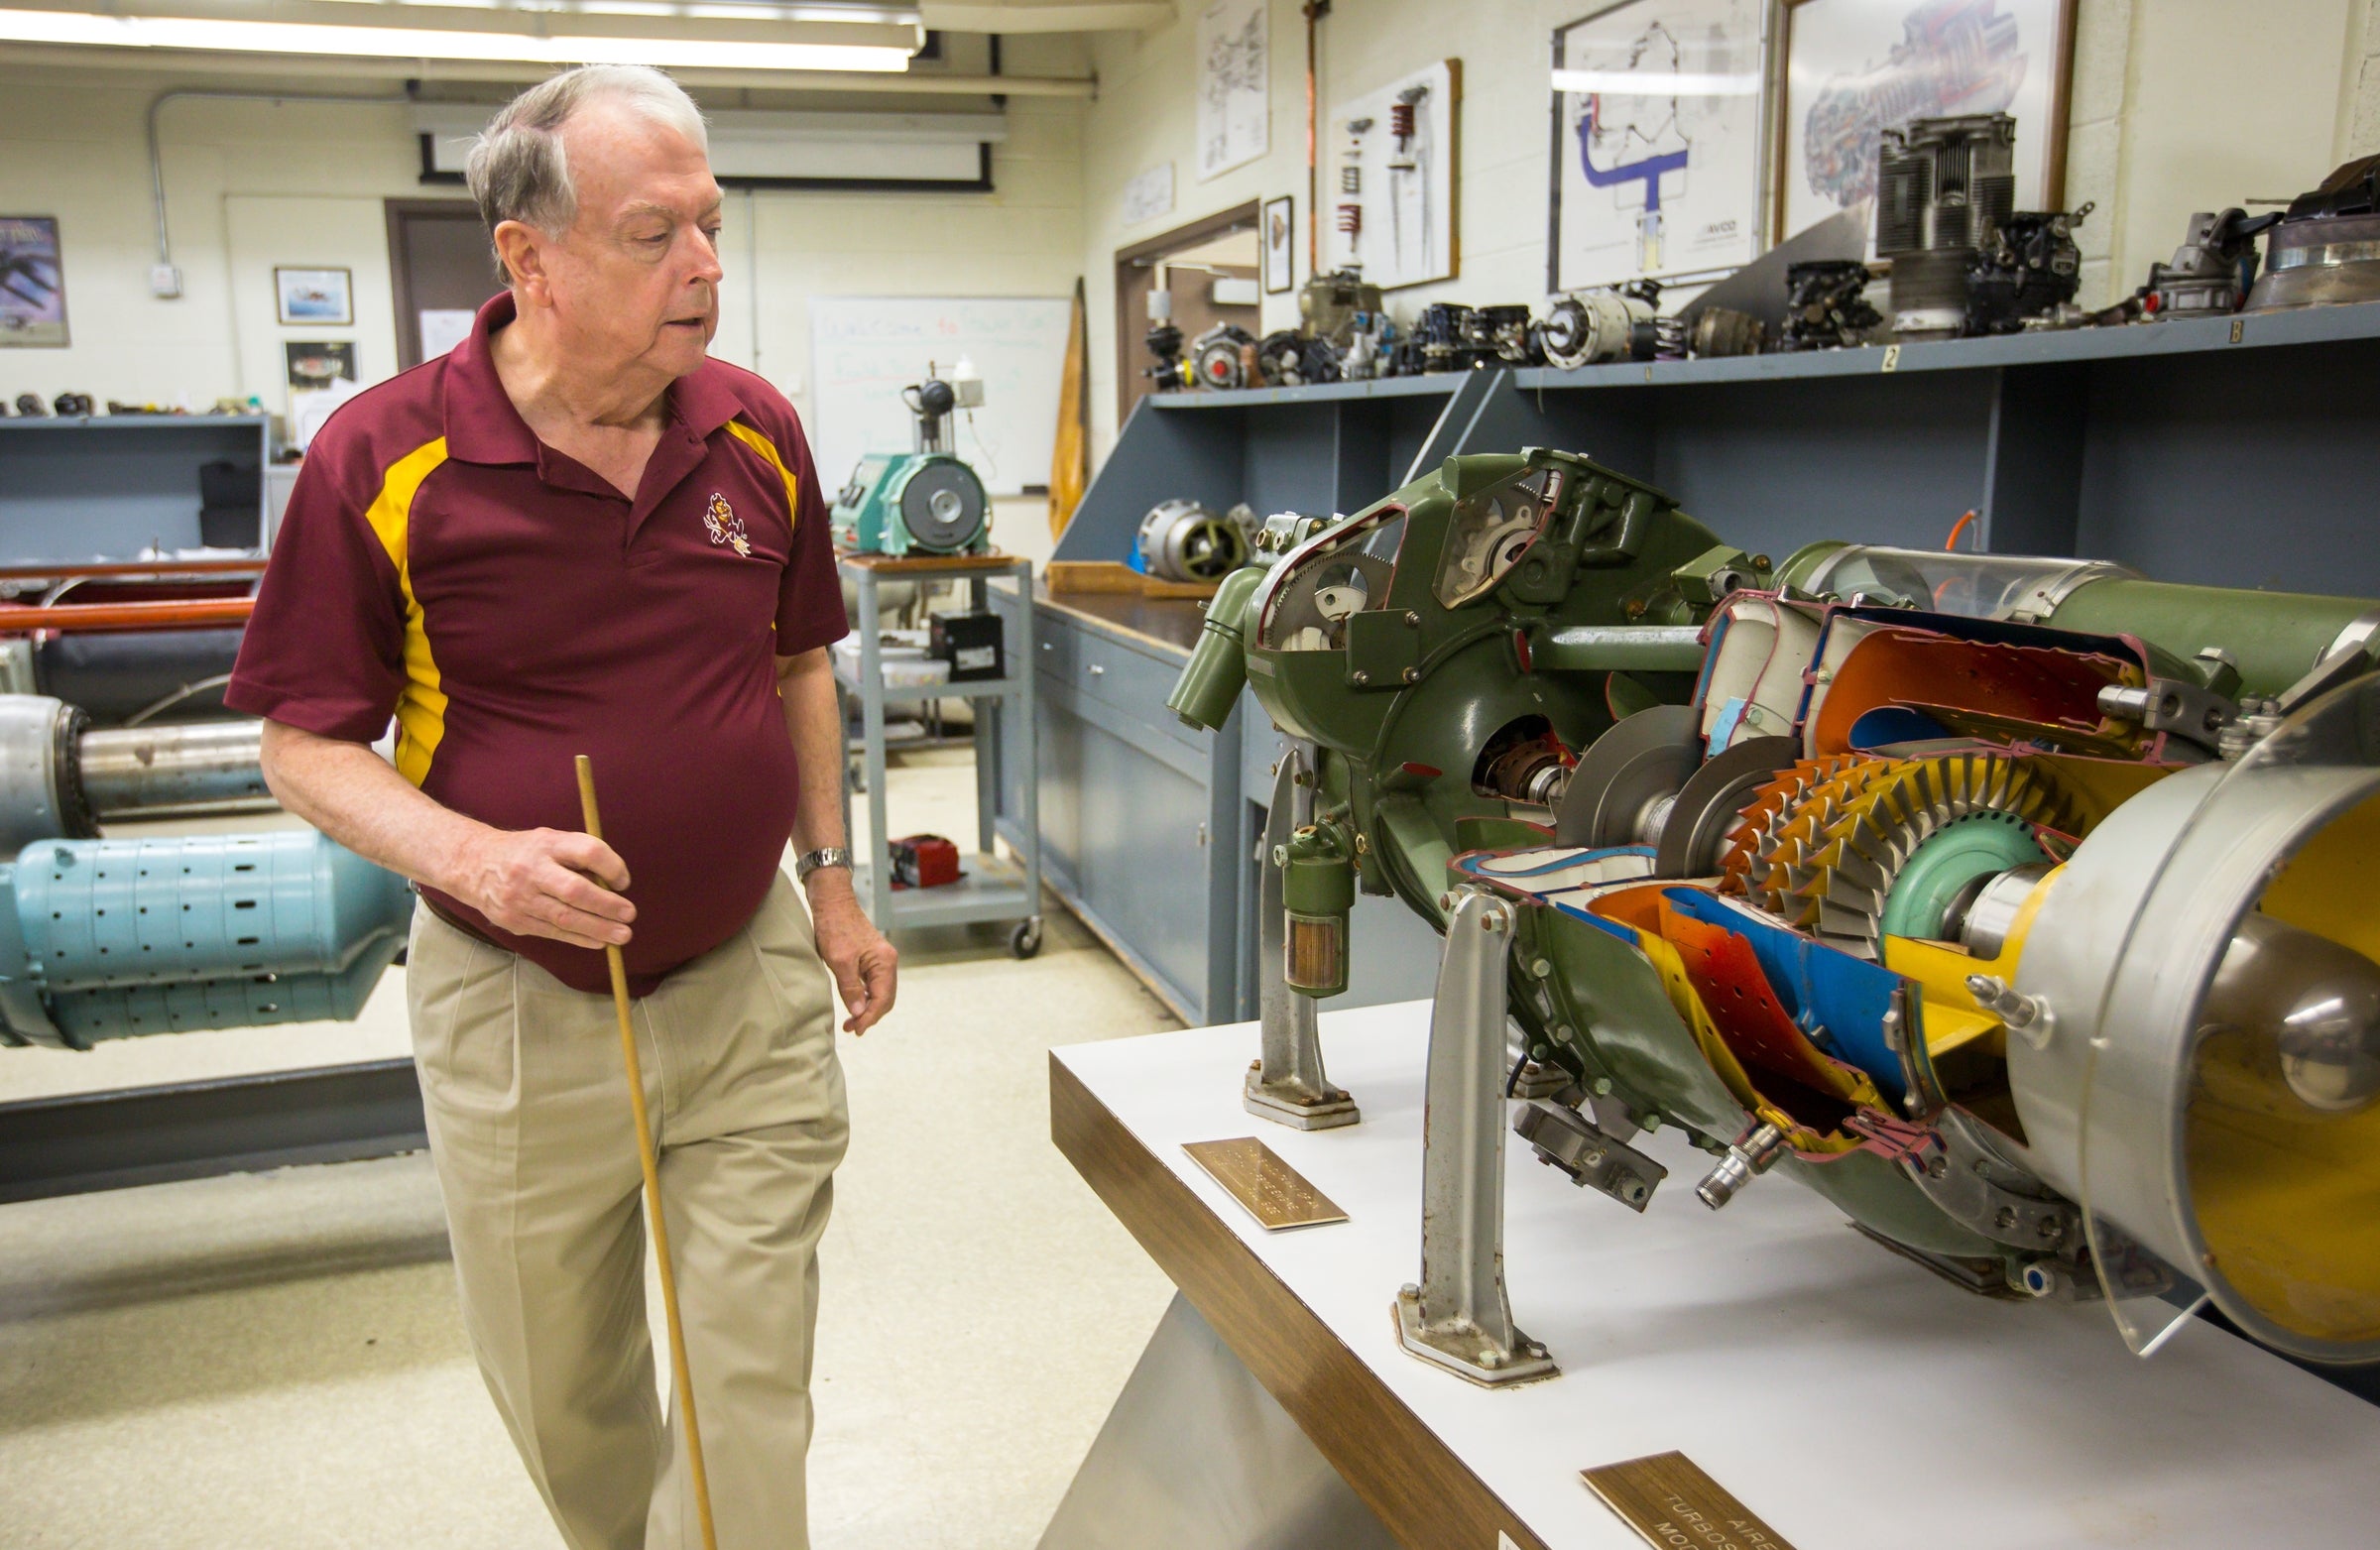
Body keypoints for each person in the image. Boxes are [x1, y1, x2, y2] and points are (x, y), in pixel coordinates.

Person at [226, 63, 894, 1550]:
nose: (708, 267)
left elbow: (797, 664)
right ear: (527, 257)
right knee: (571, 1403)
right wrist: (477, 861)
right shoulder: (383, 460)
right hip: (520, 1005)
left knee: (745, 1406)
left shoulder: (756, 432)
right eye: (656, 233)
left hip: (745, 987)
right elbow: (303, 743)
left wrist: (831, 885)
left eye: (712, 225)